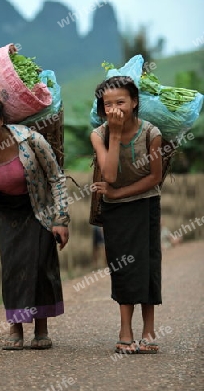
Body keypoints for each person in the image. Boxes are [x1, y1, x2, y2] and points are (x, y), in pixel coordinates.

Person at [0, 95, 70, 350]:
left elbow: (56, 178)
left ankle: (41, 329)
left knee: (40, 266)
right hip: (6, 213)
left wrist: (60, 218)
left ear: (1, 119)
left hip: (38, 208)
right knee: (12, 270)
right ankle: (16, 327)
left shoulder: (30, 140)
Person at [90, 76, 162, 354]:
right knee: (121, 266)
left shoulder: (151, 133)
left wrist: (119, 193)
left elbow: (154, 177)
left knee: (147, 264)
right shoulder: (99, 134)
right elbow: (109, 175)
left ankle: (149, 330)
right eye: (107, 104)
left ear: (134, 102)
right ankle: (125, 330)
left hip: (145, 203)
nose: (114, 108)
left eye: (120, 102)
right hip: (115, 210)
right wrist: (116, 134)